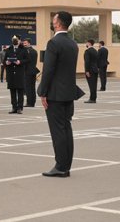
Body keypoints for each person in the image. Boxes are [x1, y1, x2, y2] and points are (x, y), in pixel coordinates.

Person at [37, 11, 79, 177]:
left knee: (58, 131)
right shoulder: (72, 43)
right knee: (66, 129)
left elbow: (48, 70)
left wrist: (42, 92)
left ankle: (61, 166)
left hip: (55, 93)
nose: (52, 21)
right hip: (69, 92)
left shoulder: (54, 43)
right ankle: (65, 165)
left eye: (53, 19)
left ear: (58, 23)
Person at [4, 35, 29, 114]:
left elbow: (28, 59)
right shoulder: (8, 49)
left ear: (19, 40)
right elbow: (4, 60)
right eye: (13, 39)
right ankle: (14, 107)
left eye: (16, 39)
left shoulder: (23, 49)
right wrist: (6, 62)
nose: (15, 41)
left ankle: (19, 108)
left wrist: (20, 62)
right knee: (12, 91)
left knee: (20, 91)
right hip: (11, 73)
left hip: (19, 73)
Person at [23, 38, 40, 107]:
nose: (24, 44)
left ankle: (29, 102)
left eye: (25, 43)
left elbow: (26, 61)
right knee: (32, 87)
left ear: (29, 43)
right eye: (23, 43)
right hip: (33, 71)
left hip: (27, 71)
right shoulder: (34, 51)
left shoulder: (27, 51)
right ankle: (32, 102)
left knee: (28, 88)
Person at [84, 39, 98, 103]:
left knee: (91, 85)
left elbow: (87, 62)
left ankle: (92, 99)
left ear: (89, 43)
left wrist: (87, 71)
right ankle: (94, 98)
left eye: (86, 43)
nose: (86, 44)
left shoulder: (87, 51)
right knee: (94, 85)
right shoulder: (95, 51)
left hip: (90, 70)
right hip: (95, 70)